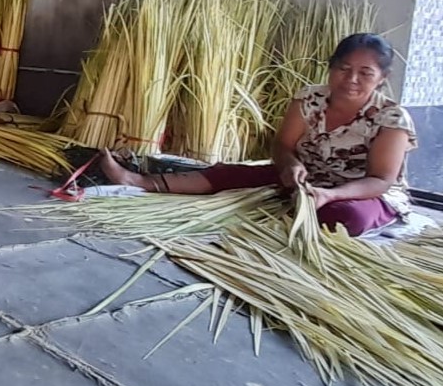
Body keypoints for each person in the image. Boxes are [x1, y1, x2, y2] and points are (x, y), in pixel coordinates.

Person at [98, 33, 418, 237]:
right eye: (344, 69)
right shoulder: (309, 98)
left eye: (365, 73)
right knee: (227, 174)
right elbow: (282, 145)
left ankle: (301, 212)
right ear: (331, 68)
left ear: (382, 79)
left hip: (362, 194)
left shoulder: (391, 118)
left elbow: (380, 180)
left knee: (344, 218)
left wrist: (331, 194)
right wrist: (290, 165)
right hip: (306, 180)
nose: (351, 79)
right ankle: (138, 182)